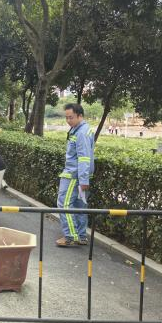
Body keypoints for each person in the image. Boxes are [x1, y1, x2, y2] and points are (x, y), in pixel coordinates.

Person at [56, 103, 95, 247]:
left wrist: (83, 180)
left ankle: (70, 236)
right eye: (66, 117)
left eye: (71, 117)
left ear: (80, 116)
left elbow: (84, 158)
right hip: (79, 175)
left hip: (73, 175)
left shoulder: (81, 133)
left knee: (64, 204)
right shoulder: (79, 129)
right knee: (79, 206)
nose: (68, 120)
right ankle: (81, 236)